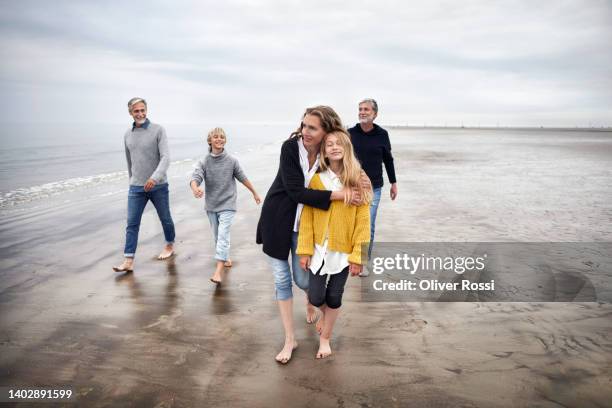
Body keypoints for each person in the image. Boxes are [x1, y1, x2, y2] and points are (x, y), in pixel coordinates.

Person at [256, 106, 370, 364]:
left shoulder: (329, 149)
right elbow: (296, 192)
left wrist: (362, 179)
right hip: (279, 218)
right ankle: (290, 339)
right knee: (282, 280)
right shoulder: (290, 148)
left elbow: (350, 164)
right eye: (304, 125)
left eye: (312, 128)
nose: (305, 131)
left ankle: (314, 305)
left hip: (306, 225)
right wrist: (343, 195)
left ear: (326, 132)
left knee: (305, 281)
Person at [297, 130, 371, 359]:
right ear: (324, 151)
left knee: (335, 297)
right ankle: (324, 315)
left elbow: (363, 222)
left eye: (339, 143)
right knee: (317, 297)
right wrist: (305, 250)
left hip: (344, 251)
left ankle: (325, 338)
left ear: (347, 148)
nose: (335, 147)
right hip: (319, 250)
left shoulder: (358, 178)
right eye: (329, 144)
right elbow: (307, 218)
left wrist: (359, 256)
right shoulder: (317, 180)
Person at [190, 127, 261, 284]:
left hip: (228, 203)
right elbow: (196, 177)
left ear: (225, 140)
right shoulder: (204, 161)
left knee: (223, 235)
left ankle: (218, 271)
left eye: (222, 137)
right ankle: (225, 256)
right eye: (216, 137)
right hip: (211, 205)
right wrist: (195, 188)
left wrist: (254, 192)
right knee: (217, 236)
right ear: (210, 140)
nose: (219, 139)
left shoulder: (232, 161)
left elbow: (242, 177)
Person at [113, 97, 175, 273]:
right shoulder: (127, 135)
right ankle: (128, 260)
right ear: (130, 113)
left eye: (142, 110)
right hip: (136, 187)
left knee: (165, 219)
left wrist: (154, 178)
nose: (140, 113)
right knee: (132, 223)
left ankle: (169, 245)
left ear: (146, 110)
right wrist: (132, 181)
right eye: (136, 111)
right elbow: (129, 162)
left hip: (158, 186)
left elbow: (166, 158)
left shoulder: (158, 130)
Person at [348, 98, 397, 276]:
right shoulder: (349, 133)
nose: (362, 112)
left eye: (366, 109)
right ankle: (348, 258)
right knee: (350, 223)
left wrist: (394, 183)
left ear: (375, 114)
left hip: (374, 188)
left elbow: (388, 160)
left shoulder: (382, 135)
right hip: (351, 186)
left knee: (368, 225)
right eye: (360, 109)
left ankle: (361, 262)